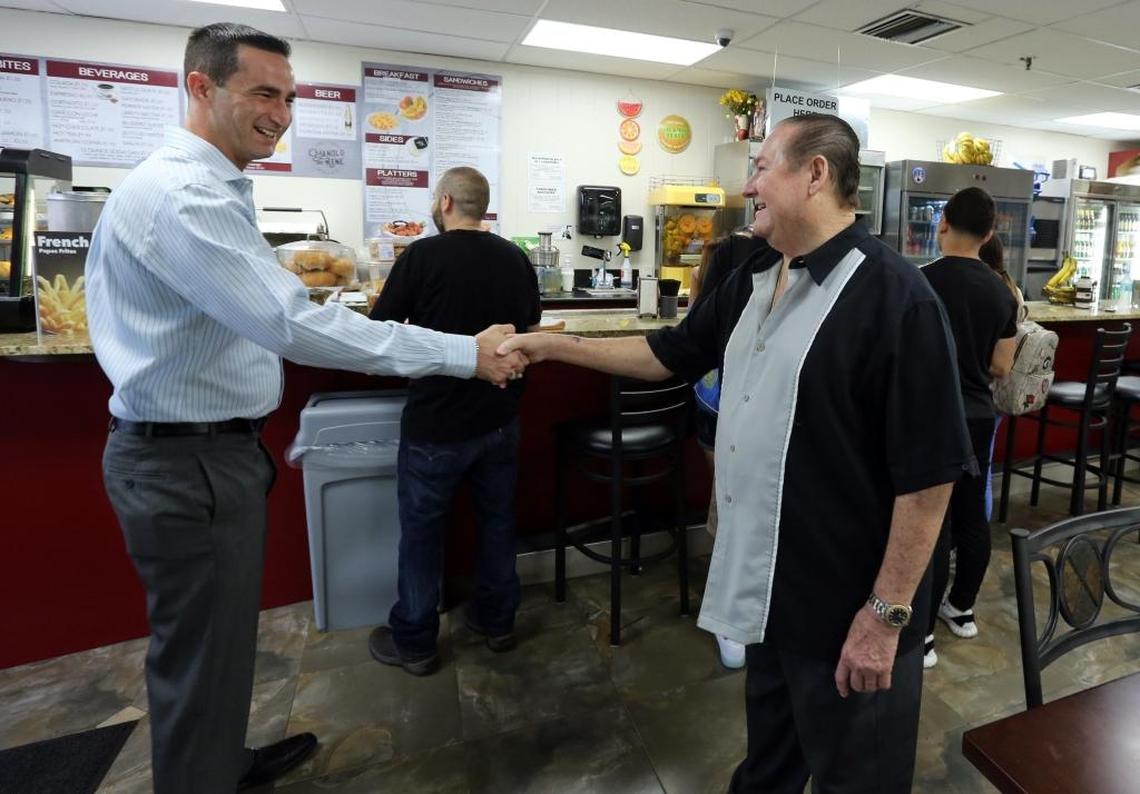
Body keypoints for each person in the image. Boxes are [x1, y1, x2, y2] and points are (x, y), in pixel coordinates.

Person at [85, 23, 524, 794]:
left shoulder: (211, 188)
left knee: (218, 644)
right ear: (200, 87)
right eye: (264, 93)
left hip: (209, 454)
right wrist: (465, 352)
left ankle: (222, 764)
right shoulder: (185, 195)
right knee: (198, 651)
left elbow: (299, 314)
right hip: (185, 460)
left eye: (288, 97)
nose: (282, 114)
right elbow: (292, 324)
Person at [500, 113, 973, 792]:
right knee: (767, 767)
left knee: (858, 777)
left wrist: (885, 616)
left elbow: (928, 482)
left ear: (815, 174)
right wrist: (552, 345)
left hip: (848, 607)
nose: (748, 186)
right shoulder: (758, 274)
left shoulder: (898, 299)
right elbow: (669, 353)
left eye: (762, 168)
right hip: (768, 590)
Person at [367, 166, 541, 676]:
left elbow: (378, 332)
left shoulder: (421, 255)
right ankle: (498, 621)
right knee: (497, 523)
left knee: (422, 535)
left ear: (444, 202)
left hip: (435, 425)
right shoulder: (515, 257)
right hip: (500, 419)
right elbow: (530, 329)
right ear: (482, 207)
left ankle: (416, 642)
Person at [921, 189, 1018, 669]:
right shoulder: (1002, 291)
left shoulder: (920, 281)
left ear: (943, 221)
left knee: (930, 521)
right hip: (978, 415)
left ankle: (921, 635)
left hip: (931, 413)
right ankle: (961, 609)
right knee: (970, 513)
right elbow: (1002, 366)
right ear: (989, 233)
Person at [690, 230, 771, 670]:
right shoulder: (788, 265)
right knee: (740, 502)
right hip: (750, 401)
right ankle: (737, 616)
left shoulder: (726, 258)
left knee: (727, 501)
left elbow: (691, 333)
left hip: (717, 398)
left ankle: (731, 621)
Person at [977, 235, 1026, 522]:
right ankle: (979, 530)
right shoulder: (1012, 289)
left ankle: (971, 532)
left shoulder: (985, 288)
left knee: (972, 472)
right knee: (983, 469)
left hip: (982, 388)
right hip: (1002, 392)